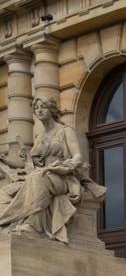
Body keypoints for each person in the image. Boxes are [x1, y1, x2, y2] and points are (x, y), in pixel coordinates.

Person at [0, 96, 104, 242]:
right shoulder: (40, 137)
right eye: (36, 108)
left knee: (37, 179)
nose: (39, 110)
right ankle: (6, 224)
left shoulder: (65, 131)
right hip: (43, 173)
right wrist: (6, 160)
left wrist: (67, 166)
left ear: (52, 110)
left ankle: (33, 224)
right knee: (6, 190)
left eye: (43, 107)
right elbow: (31, 166)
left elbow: (77, 155)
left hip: (63, 175)